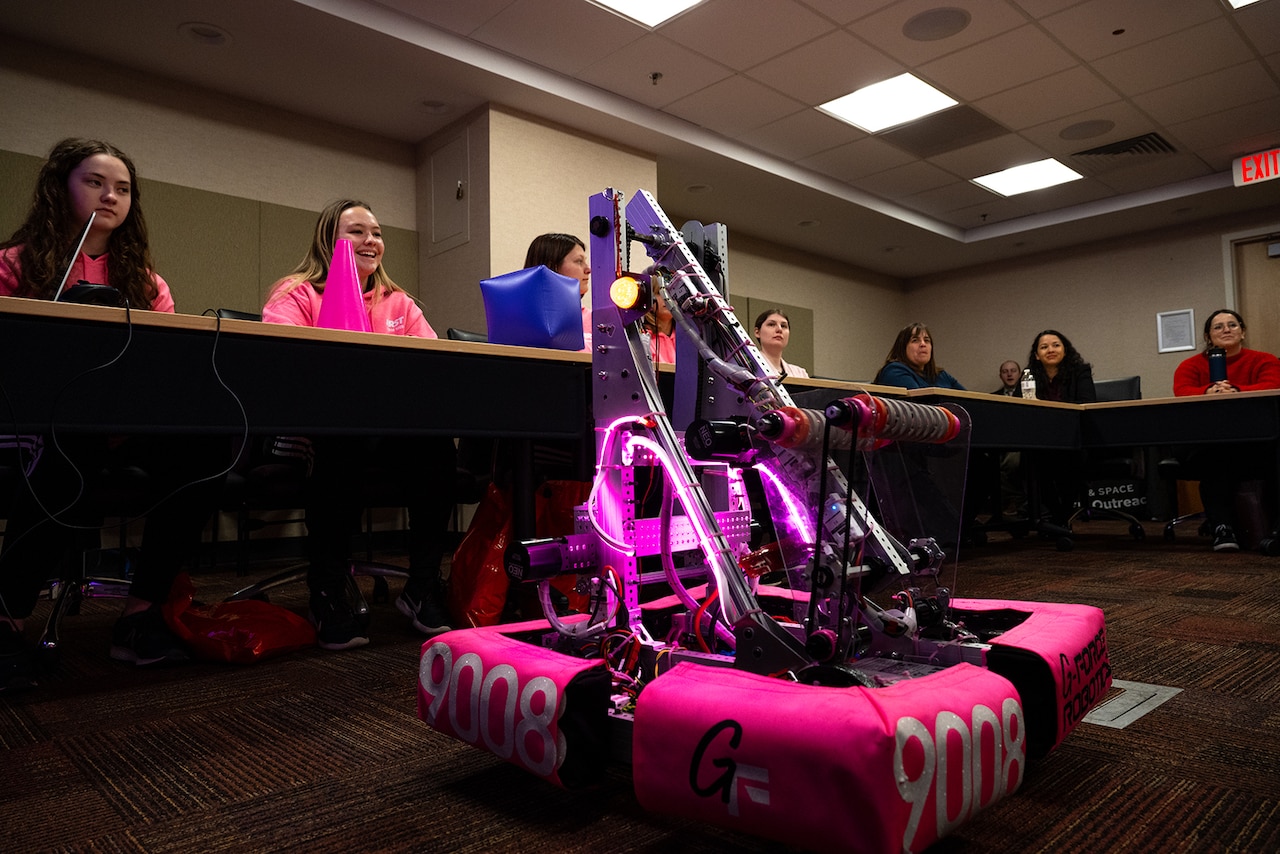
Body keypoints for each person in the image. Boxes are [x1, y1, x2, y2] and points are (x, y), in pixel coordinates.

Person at [0, 138, 225, 670]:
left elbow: (165, 370)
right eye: (95, 182)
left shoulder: (147, 284)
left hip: (122, 423)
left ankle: (140, 615)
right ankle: (6, 618)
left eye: (122, 188)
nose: (110, 195)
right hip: (38, 422)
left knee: (207, 449)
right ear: (61, 188)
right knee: (63, 447)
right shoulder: (15, 264)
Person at [263, 199, 456, 649]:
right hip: (319, 430)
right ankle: (328, 589)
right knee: (340, 444)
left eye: (376, 233)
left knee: (438, 450)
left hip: (391, 431)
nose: (370, 241)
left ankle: (423, 586)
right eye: (356, 232)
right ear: (330, 241)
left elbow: (430, 368)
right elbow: (281, 364)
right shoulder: (296, 293)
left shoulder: (399, 302)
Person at [1172, 309, 1280, 551]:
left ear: (1243, 332)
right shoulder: (1190, 365)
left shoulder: (1264, 360)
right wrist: (1208, 392)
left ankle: (1275, 528)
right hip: (1208, 441)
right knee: (1216, 454)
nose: (1226, 330)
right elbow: (1182, 390)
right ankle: (1222, 529)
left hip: (1256, 441)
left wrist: (1236, 389)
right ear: (1208, 337)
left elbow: (1273, 384)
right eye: (1218, 327)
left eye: (1232, 325)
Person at [1023, 330, 1095, 525]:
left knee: (1064, 461)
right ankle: (1057, 515)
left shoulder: (1080, 371)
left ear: (1065, 350)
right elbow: (1019, 406)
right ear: (1037, 355)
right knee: (1030, 460)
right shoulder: (1029, 376)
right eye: (1044, 347)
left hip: (1073, 437)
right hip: (1040, 439)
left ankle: (1062, 516)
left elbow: (1087, 402)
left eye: (1056, 345)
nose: (1050, 350)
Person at [523, 233, 592, 351]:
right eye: (579, 261)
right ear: (552, 267)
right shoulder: (521, 318)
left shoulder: (597, 321)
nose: (588, 269)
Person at [873, 322, 962, 389]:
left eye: (927, 340)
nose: (923, 344)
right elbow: (921, 407)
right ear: (903, 347)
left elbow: (970, 401)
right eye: (915, 340)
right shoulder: (894, 371)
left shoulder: (941, 375)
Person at [754, 309, 809, 378]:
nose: (779, 329)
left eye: (783, 326)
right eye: (771, 324)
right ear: (757, 332)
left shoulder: (800, 374)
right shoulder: (749, 369)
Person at [643, 291, 675, 364]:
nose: (667, 297)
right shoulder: (644, 339)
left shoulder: (686, 339)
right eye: (660, 293)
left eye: (670, 292)